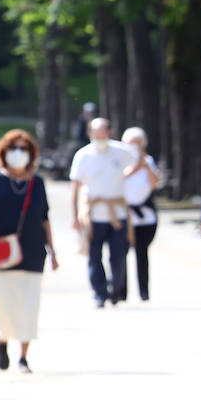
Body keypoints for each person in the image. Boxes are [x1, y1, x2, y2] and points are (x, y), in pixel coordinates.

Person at [0, 130, 58, 373]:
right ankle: (3, 339)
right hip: (0, 252)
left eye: (24, 149)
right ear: (3, 153)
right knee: (5, 304)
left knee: (29, 305)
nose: (19, 154)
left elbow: (44, 217)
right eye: (13, 149)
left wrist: (53, 250)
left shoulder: (36, 182)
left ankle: (24, 357)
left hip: (32, 251)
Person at [69, 118, 136, 308]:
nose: (99, 138)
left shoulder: (121, 151)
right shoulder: (83, 155)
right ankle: (99, 292)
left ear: (109, 132)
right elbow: (75, 186)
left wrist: (123, 178)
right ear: (90, 134)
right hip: (93, 214)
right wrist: (74, 216)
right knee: (94, 255)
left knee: (118, 255)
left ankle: (115, 288)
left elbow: (138, 163)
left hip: (117, 213)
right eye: (95, 134)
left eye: (102, 133)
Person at [116, 126, 160, 302]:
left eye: (137, 143)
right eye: (131, 143)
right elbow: (117, 181)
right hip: (124, 213)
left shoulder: (148, 161)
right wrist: (135, 167)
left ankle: (144, 292)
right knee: (121, 253)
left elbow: (155, 183)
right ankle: (121, 291)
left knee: (142, 254)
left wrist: (144, 166)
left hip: (145, 217)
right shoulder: (119, 161)